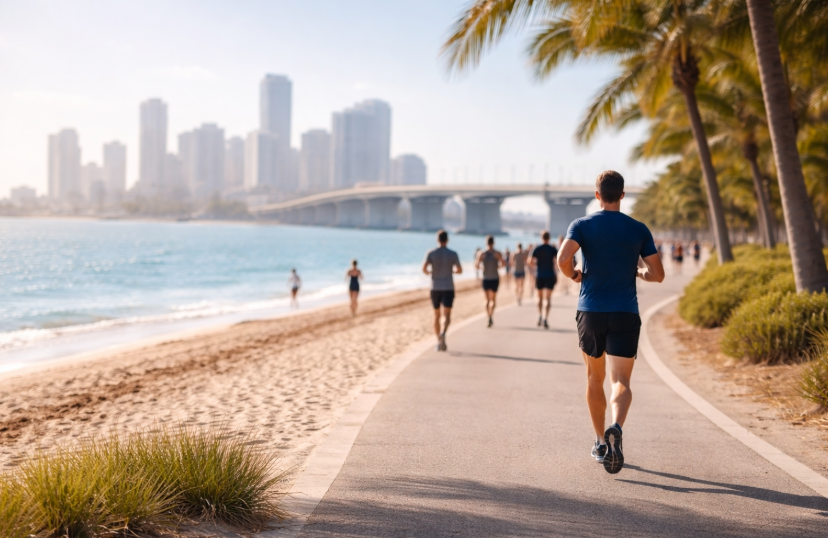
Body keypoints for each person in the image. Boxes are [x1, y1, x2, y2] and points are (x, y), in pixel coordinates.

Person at [557, 170, 664, 474]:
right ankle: (615, 426)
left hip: (590, 311)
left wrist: (574, 275)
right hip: (625, 312)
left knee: (595, 379)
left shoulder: (581, 225)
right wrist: (638, 272)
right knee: (621, 381)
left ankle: (600, 442)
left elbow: (563, 259)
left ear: (597, 196)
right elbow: (658, 274)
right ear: (622, 195)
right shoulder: (638, 229)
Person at [423, 230, 463, 351]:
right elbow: (460, 270)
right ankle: (443, 332)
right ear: (447, 240)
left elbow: (424, 269)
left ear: (437, 239)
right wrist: (452, 271)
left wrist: (431, 273)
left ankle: (438, 341)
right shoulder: (453, 254)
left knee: (436, 315)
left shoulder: (431, 253)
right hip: (448, 287)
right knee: (447, 314)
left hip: (435, 287)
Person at [529, 231, 558, 329]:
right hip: (550, 275)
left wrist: (536, 266)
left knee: (539, 298)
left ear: (541, 238)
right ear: (549, 238)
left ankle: (540, 315)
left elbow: (530, 261)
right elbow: (558, 261)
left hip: (540, 275)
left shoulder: (537, 248)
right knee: (548, 299)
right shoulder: (553, 249)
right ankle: (545, 318)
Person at [475, 235, 504, 328]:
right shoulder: (497, 253)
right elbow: (503, 264)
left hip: (486, 278)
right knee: (493, 300)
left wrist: (483, 268)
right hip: (494, 278)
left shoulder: (481, 253)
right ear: (493, 243)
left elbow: (476, 265)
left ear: (486, 243)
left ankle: (488, 317)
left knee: (486, 300)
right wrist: (496, 267)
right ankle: (491, 316)